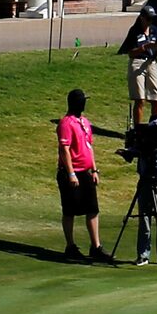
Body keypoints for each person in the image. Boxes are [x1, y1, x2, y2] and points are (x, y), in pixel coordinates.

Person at [56, 88, 107, 263]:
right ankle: (70, 246)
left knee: (92, 209)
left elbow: (89, 147)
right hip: (71, 173)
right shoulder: (65, 123)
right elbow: (65, 149)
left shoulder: (85, 122)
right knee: (70, 210)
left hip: (85, 172)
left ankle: (96, 247)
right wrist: (71, 173)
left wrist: (94, 170)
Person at [122, 4, 157, 126]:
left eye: (152, 18)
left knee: (156, 98)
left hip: (152, 62)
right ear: (142, 18)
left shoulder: (154, 30)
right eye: (149, 18)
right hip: (138, 62)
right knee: (140, 99)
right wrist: (145, 47)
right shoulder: (134, 31)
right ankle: (138, 129)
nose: (150, 21)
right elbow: (130, 53)